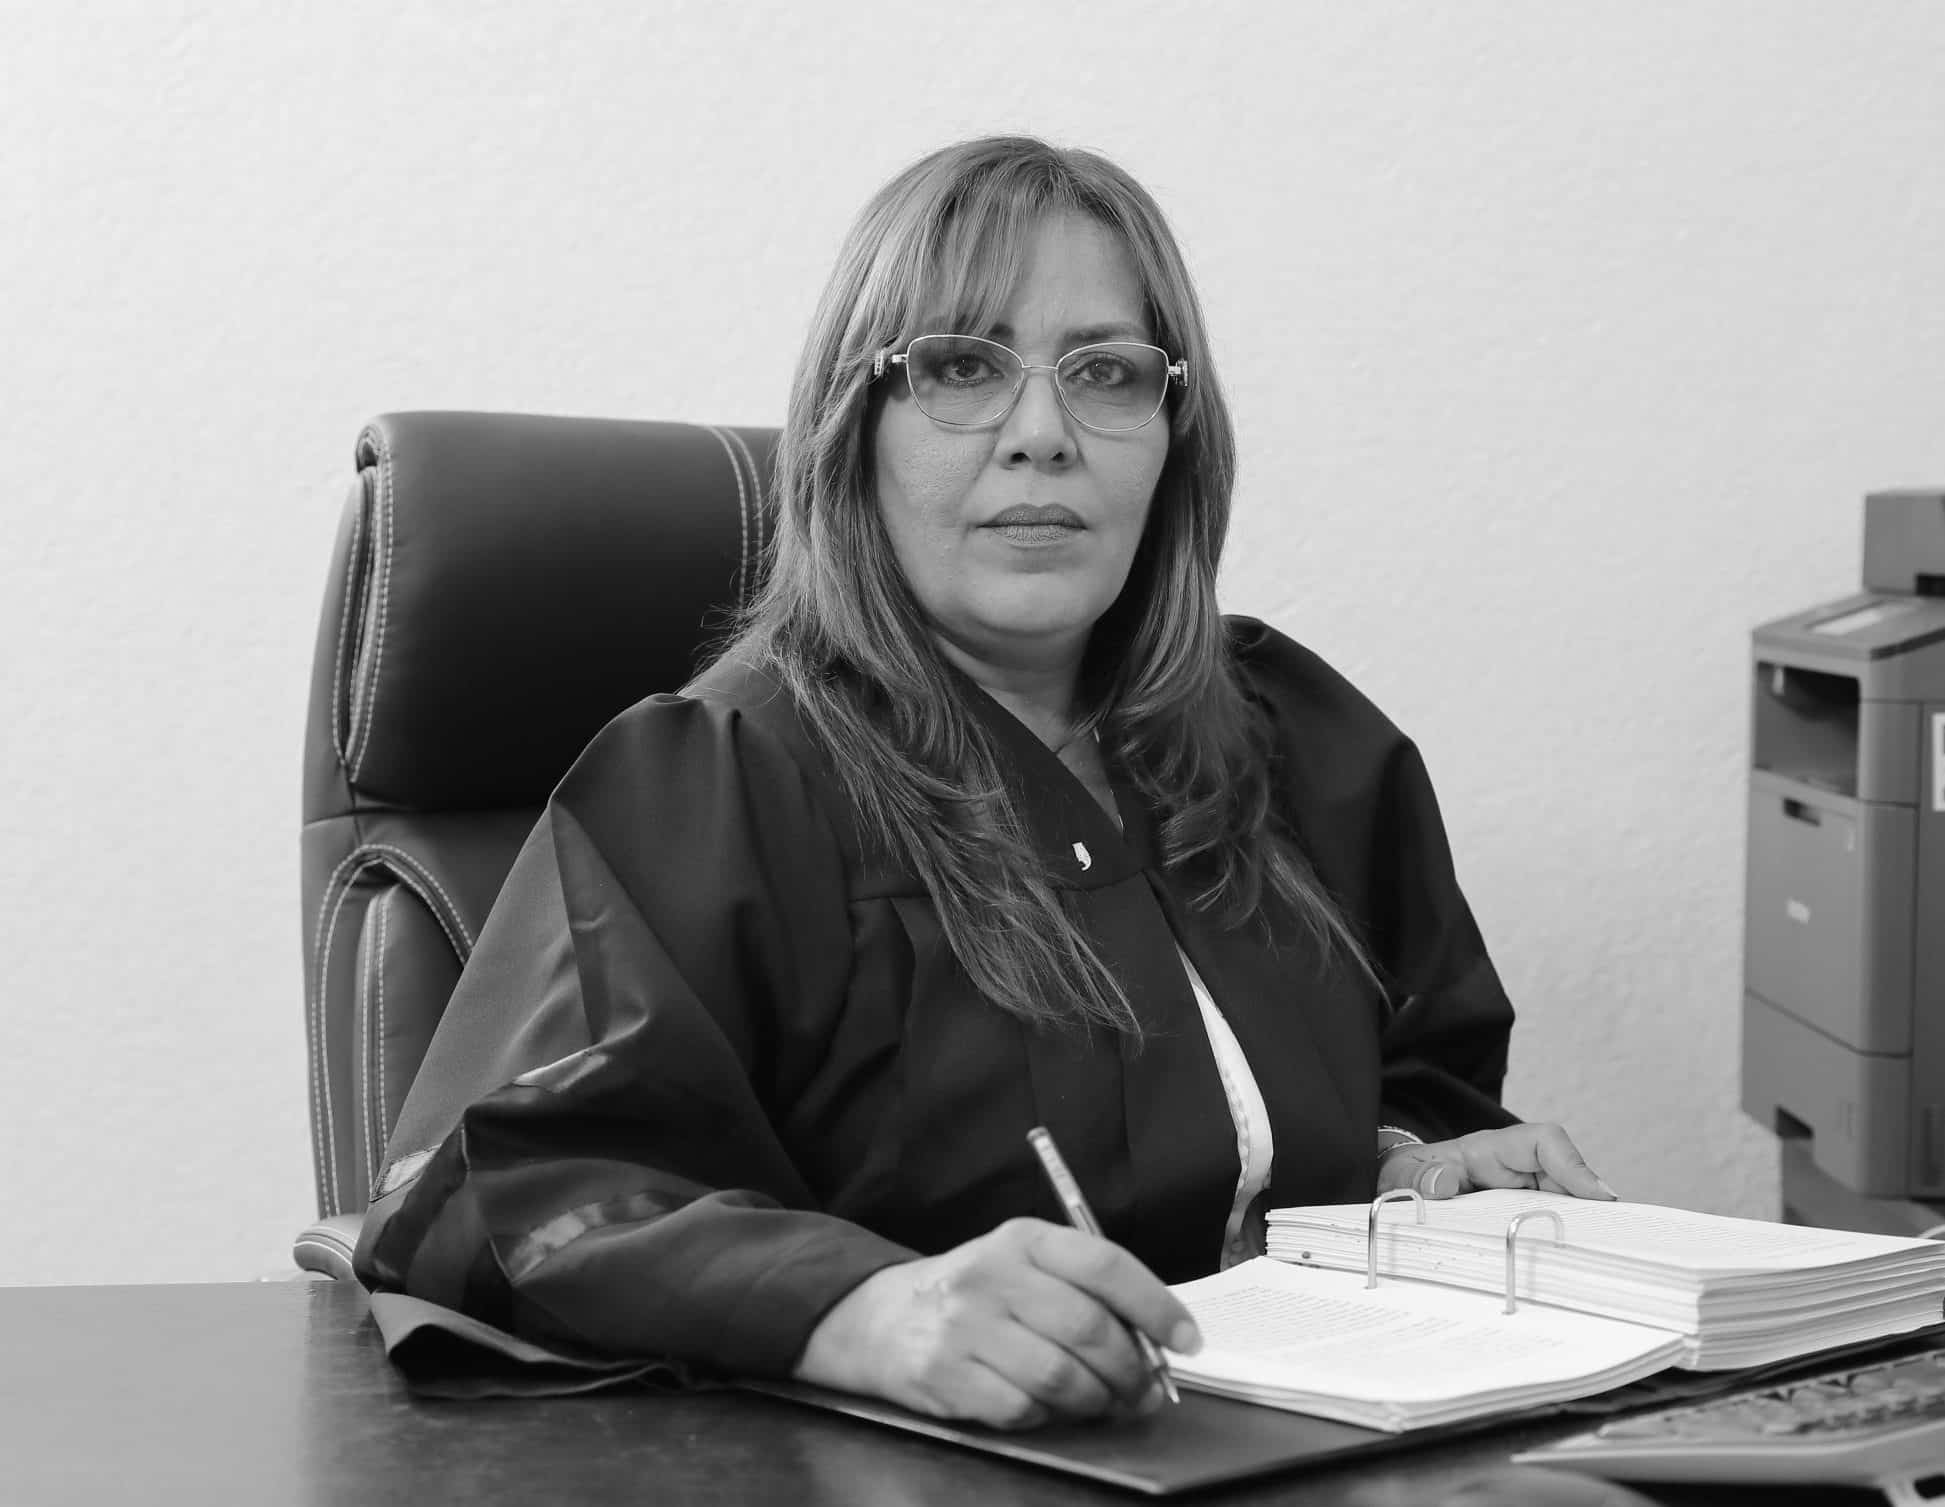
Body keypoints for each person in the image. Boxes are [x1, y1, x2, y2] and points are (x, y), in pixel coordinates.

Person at [355, 135, 1615, 1432]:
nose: (1042, 436)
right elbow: (496, 1199)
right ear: (856, 426)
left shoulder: (1295, 739)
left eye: (1106, 372)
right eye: (961, 368)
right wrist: (858, 1310)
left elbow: (1416, 1070)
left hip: (1319, 1448)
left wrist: (1418, 1173)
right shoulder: (722, 779)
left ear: (1174, 435)